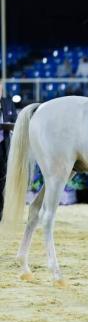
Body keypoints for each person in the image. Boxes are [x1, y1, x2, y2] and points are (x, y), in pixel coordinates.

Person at [0, 84, 17, 222]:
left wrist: (11, 126)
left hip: (4, 145)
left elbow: (15, 121)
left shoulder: (8, 102)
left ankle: (2, 214)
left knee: (3, 180)